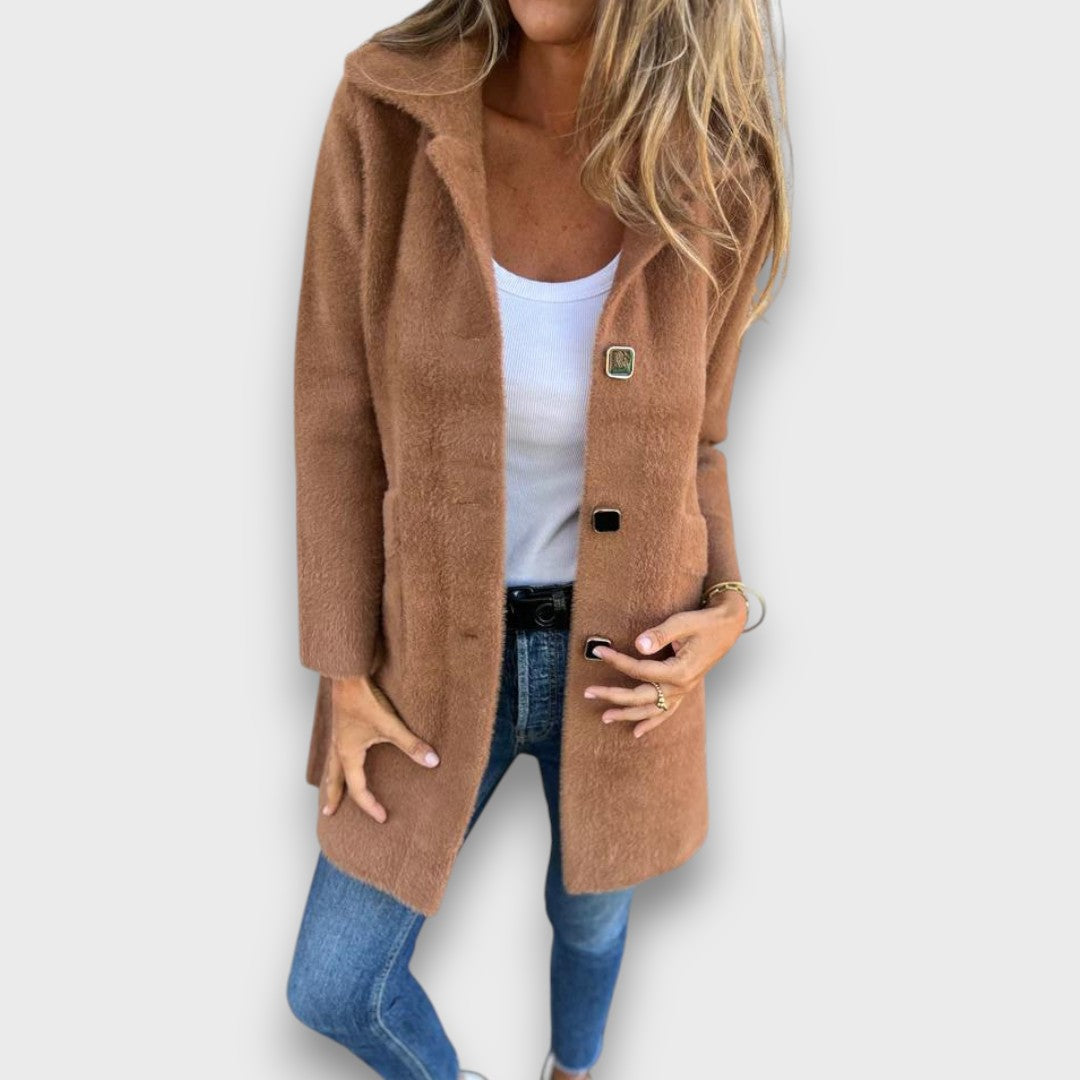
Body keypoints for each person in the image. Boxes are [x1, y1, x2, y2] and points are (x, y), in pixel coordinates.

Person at [285, 2, 789, 1078]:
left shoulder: (716, 168)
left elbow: (701, 441)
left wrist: (732, 606)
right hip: (425, 656)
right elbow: (335, 419)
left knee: (592, 917)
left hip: (626, 664)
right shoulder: (390, 112)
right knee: (334, 983)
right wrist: (341, 672)